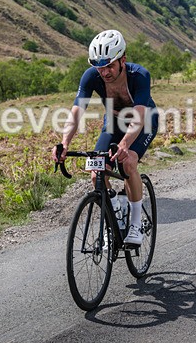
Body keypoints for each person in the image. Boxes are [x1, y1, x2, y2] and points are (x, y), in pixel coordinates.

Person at [53, 29, 158, 246]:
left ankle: (136, 224)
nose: (105, 72)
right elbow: (76, 112)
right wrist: (64, 143)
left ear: (123, 60)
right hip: (113, 122)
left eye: (109, 65)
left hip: (144, 121)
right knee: (96, 172)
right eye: (99, 66)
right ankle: (114, 215)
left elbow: (139, 118)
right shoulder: (92, 76)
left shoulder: (140, 76)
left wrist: (124, 145)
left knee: (128, 163)